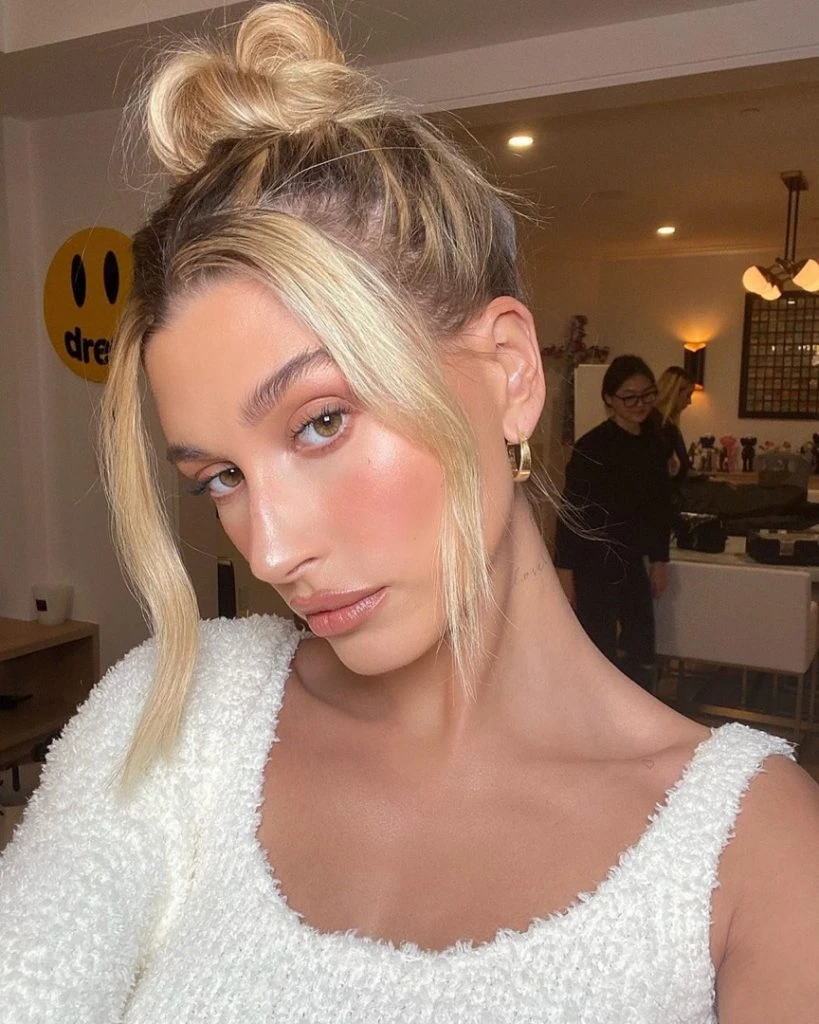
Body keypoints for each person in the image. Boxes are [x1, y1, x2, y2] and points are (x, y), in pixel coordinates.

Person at [2, 6, 818, 1022]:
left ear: (510, 372)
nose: (271, 551)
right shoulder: (177, 711)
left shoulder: (757, 859)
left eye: (320, 422)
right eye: (219, 477)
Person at [554, 356, 671, 691]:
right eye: (630, 397)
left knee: (641, 647)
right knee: (597, 651)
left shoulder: (654, 442)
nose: (640, 404)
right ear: (609, 399)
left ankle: (638, 716)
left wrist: (659, 560)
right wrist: (565, 573)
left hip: (632, 559)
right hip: (593, 562)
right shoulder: (592, 446)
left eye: (647, 395)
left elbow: (659, 507)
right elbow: (572, 513)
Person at [655, 365, 696, 479]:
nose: (689, 401)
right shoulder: (661, 426)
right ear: (674, 393)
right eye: (688, 395)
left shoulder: (668, 424)